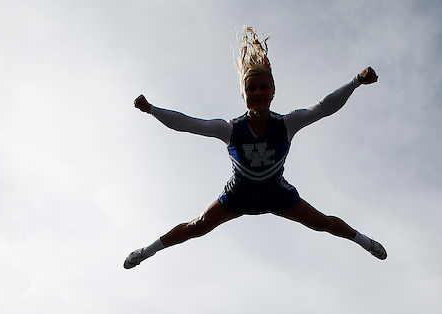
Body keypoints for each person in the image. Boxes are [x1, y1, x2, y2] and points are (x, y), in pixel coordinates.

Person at [124, 27, 387, 270]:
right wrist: (152, 110)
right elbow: (187, 124)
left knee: (321, 222)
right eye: (251, 88)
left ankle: (366, 242)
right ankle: (145, 252)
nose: (258, 92)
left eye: (264, 87)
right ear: (243, 94)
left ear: (273, 92)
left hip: (276, 194)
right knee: (198, 226)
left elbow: (323, 107)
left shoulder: (287, 123)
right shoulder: (229, 129)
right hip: (238, 195)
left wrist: (356, 81)